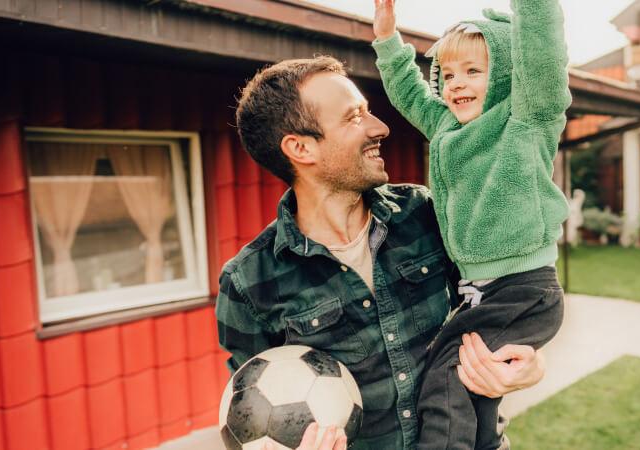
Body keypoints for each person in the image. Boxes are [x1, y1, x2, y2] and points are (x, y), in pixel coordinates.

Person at [216, 55, 545, 450]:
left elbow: (502, 298)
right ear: (301, 148)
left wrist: (526, 361)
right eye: (355, 117)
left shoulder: (428, 214)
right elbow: (250, 425)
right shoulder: (249, 282)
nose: (381, 127)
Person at [371, 0, 570, 448]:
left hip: (523, 286)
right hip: (482, 288)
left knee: (446, 376)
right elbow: (409, 92)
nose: (457, 83)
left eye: (473, 71)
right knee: (475, 387)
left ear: (503, 74)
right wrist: (387, 40)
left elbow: (542, 59)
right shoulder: (447, 128)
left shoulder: (525, 119)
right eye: (448, 73)